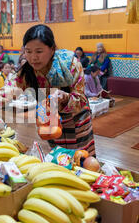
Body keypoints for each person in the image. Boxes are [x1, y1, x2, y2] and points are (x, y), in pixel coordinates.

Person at [12, 24, 95, 154]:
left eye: (39, 51)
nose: (33, 57)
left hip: (76, 121)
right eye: (28, 51)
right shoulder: (25, 72)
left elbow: (81, 100)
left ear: (52, 49)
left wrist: (65, 97)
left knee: (81, 160)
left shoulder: (70, 64)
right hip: (49, 123)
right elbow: (11, 90)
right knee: (58, 157)